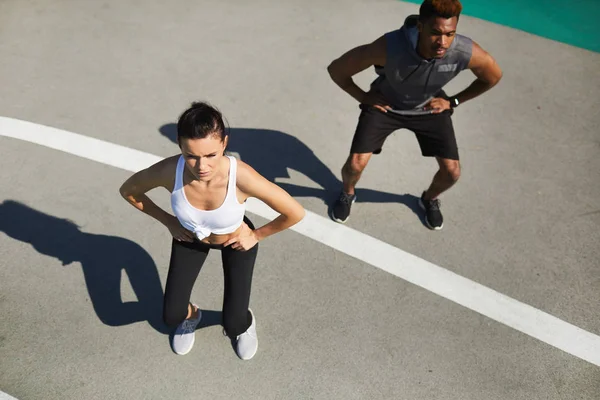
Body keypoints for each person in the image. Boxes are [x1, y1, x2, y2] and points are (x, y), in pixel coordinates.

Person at [119, 101, 305, 360]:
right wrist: (169, 221)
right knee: (172, 315)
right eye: (191, 155)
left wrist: (256, 235)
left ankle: (244, 323)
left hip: (235, 241)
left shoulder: (242, 177)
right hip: (189, 237)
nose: (201, 165)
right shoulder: (168, 171)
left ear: (224, 144)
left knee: (233, 324)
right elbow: (129, 191)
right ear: (180, 146)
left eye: (210, 155)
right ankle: (193, 315)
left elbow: (295, 212)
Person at [327, 0, 502, 229]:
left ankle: (428, 199)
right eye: (435, 33)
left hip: (429, 107)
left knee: (452, 172)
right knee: (355, 165)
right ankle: (347, 193)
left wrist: (453, 101)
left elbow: (493, 76)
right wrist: (364, 97)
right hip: (386, 106)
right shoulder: (389, 47)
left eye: (450, 34)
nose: (443, 42)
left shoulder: (464, 51)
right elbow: (337, 69)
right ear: (420, 27)